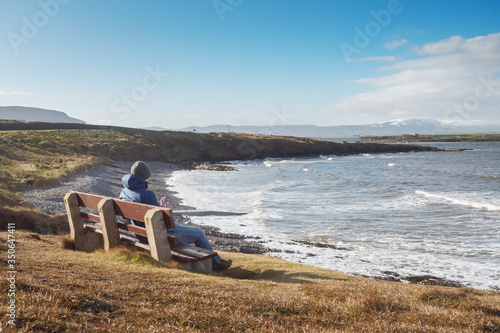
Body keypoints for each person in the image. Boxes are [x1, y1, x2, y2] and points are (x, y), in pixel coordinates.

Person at [119, 161, 232, 271]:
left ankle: (215, 262)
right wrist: (162, 208)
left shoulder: (124, 191)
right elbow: (162, 221)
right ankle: (217, 264)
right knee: (198, 232)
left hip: (138, 232)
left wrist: (158, 208)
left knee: (186, 228)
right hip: (154, 235)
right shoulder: (147, 194)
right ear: (145, 177)